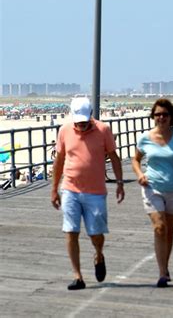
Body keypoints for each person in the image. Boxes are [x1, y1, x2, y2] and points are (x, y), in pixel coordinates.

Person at [51, 97, 125, 290]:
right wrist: (54, 189)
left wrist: (119, 182)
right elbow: (59, 160)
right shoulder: (64, 131)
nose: (81, 125)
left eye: (84, 121)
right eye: (78, 121)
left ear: (91, 115)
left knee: (96, 234)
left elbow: (114, 157)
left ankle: (99, 255)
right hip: (70, 189)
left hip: (95, 191)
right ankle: (78, 276)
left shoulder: (103, 130)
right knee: (71, 231)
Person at [132, 98, 173, 288]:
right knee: (159, 227)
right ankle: (162, 272)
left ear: (171, 116)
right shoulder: (145, 138)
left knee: (169, 230)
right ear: (153, 116)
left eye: (165, 114)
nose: (161, 117)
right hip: (152, 187)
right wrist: (140, 174)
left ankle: (165, 266)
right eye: (157, 114)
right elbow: (135, 159)